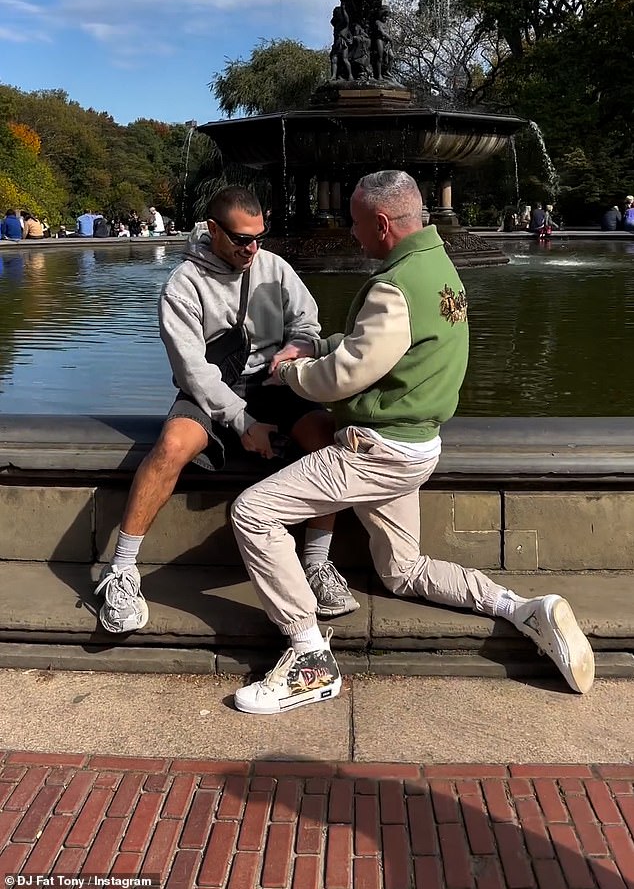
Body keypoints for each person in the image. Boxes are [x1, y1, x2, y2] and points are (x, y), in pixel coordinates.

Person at [229, 170, 595, 715]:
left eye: (355, 223)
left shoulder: (393, 285)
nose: (351, 233)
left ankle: (308, 657)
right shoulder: (439, 267)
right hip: (419, 446)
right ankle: (521, 607)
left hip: (376, 451)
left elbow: (344, 376)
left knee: (253, 513)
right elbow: (381, 343)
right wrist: (320, 344)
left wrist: (290, 375)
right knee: (402, 571)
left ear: (380, 223)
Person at [95, 186, 358, 633]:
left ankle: (316, 562)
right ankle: (120, 571)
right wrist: (244, 422)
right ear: (213, 230)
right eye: (240, 238)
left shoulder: (275, 268)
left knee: (325, 438)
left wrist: (296, 349)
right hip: (213, 386)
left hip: (275, 382)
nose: (251, 248)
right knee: (173, 444)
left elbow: (309, 325)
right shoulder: (183, 284)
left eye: (259, 236)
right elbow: (194, 372)